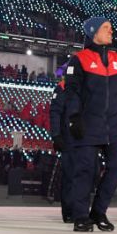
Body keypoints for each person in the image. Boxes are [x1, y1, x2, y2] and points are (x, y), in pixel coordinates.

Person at [64, 17, 117, 232]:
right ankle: (81, 216)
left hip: (112, 124)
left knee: (116, 167)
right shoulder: (79, 60)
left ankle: (99, 211)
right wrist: (74, 117)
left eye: (111, 28)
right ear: (93, 33)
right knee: (85, 170)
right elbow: (72, 92)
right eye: (106, 28)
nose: (111, 31)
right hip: (87, 123)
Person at [49, 78, 74, 222]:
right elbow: (55, 113)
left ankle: (80, 210)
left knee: (84, 176)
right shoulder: (62, 87)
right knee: (69, 176)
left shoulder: (89, 83)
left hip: (85, 138)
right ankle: (69, 211)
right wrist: (56, 135)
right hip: (68, 138)